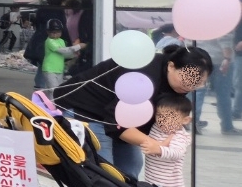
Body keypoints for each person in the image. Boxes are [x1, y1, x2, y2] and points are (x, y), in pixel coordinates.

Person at [54, 44, 213, 179]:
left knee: (130, 169)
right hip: (87, 109)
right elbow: (116, 122)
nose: (190, 86)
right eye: (187, 79)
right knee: (104, 172)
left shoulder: (178, 84)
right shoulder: (144, 77)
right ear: (171, 66)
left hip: (121, 119)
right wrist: (156, 145)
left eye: (198, 83)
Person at [143, 93, 193, 187]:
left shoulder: (179, 136)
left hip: (169, 186)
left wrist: (158, 149)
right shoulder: (156, 127)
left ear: (185, 120)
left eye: (170, 117)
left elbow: (177, 153)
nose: (162, 120)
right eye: (159, 115)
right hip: (151, 179)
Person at [38, 18, 82, 92]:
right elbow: (63, 50)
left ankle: (50, 103)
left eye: (57, 32)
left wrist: (74, 55)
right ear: (48, 32)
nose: (55, 35)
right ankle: (50, 103)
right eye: (53, 32)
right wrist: (78, 47)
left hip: (59, 69)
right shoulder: (49, 41)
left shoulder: (61, 41)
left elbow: (65, 54)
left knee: (57, 90)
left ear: (61, 31)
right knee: (53, 90)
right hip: (49, 69)